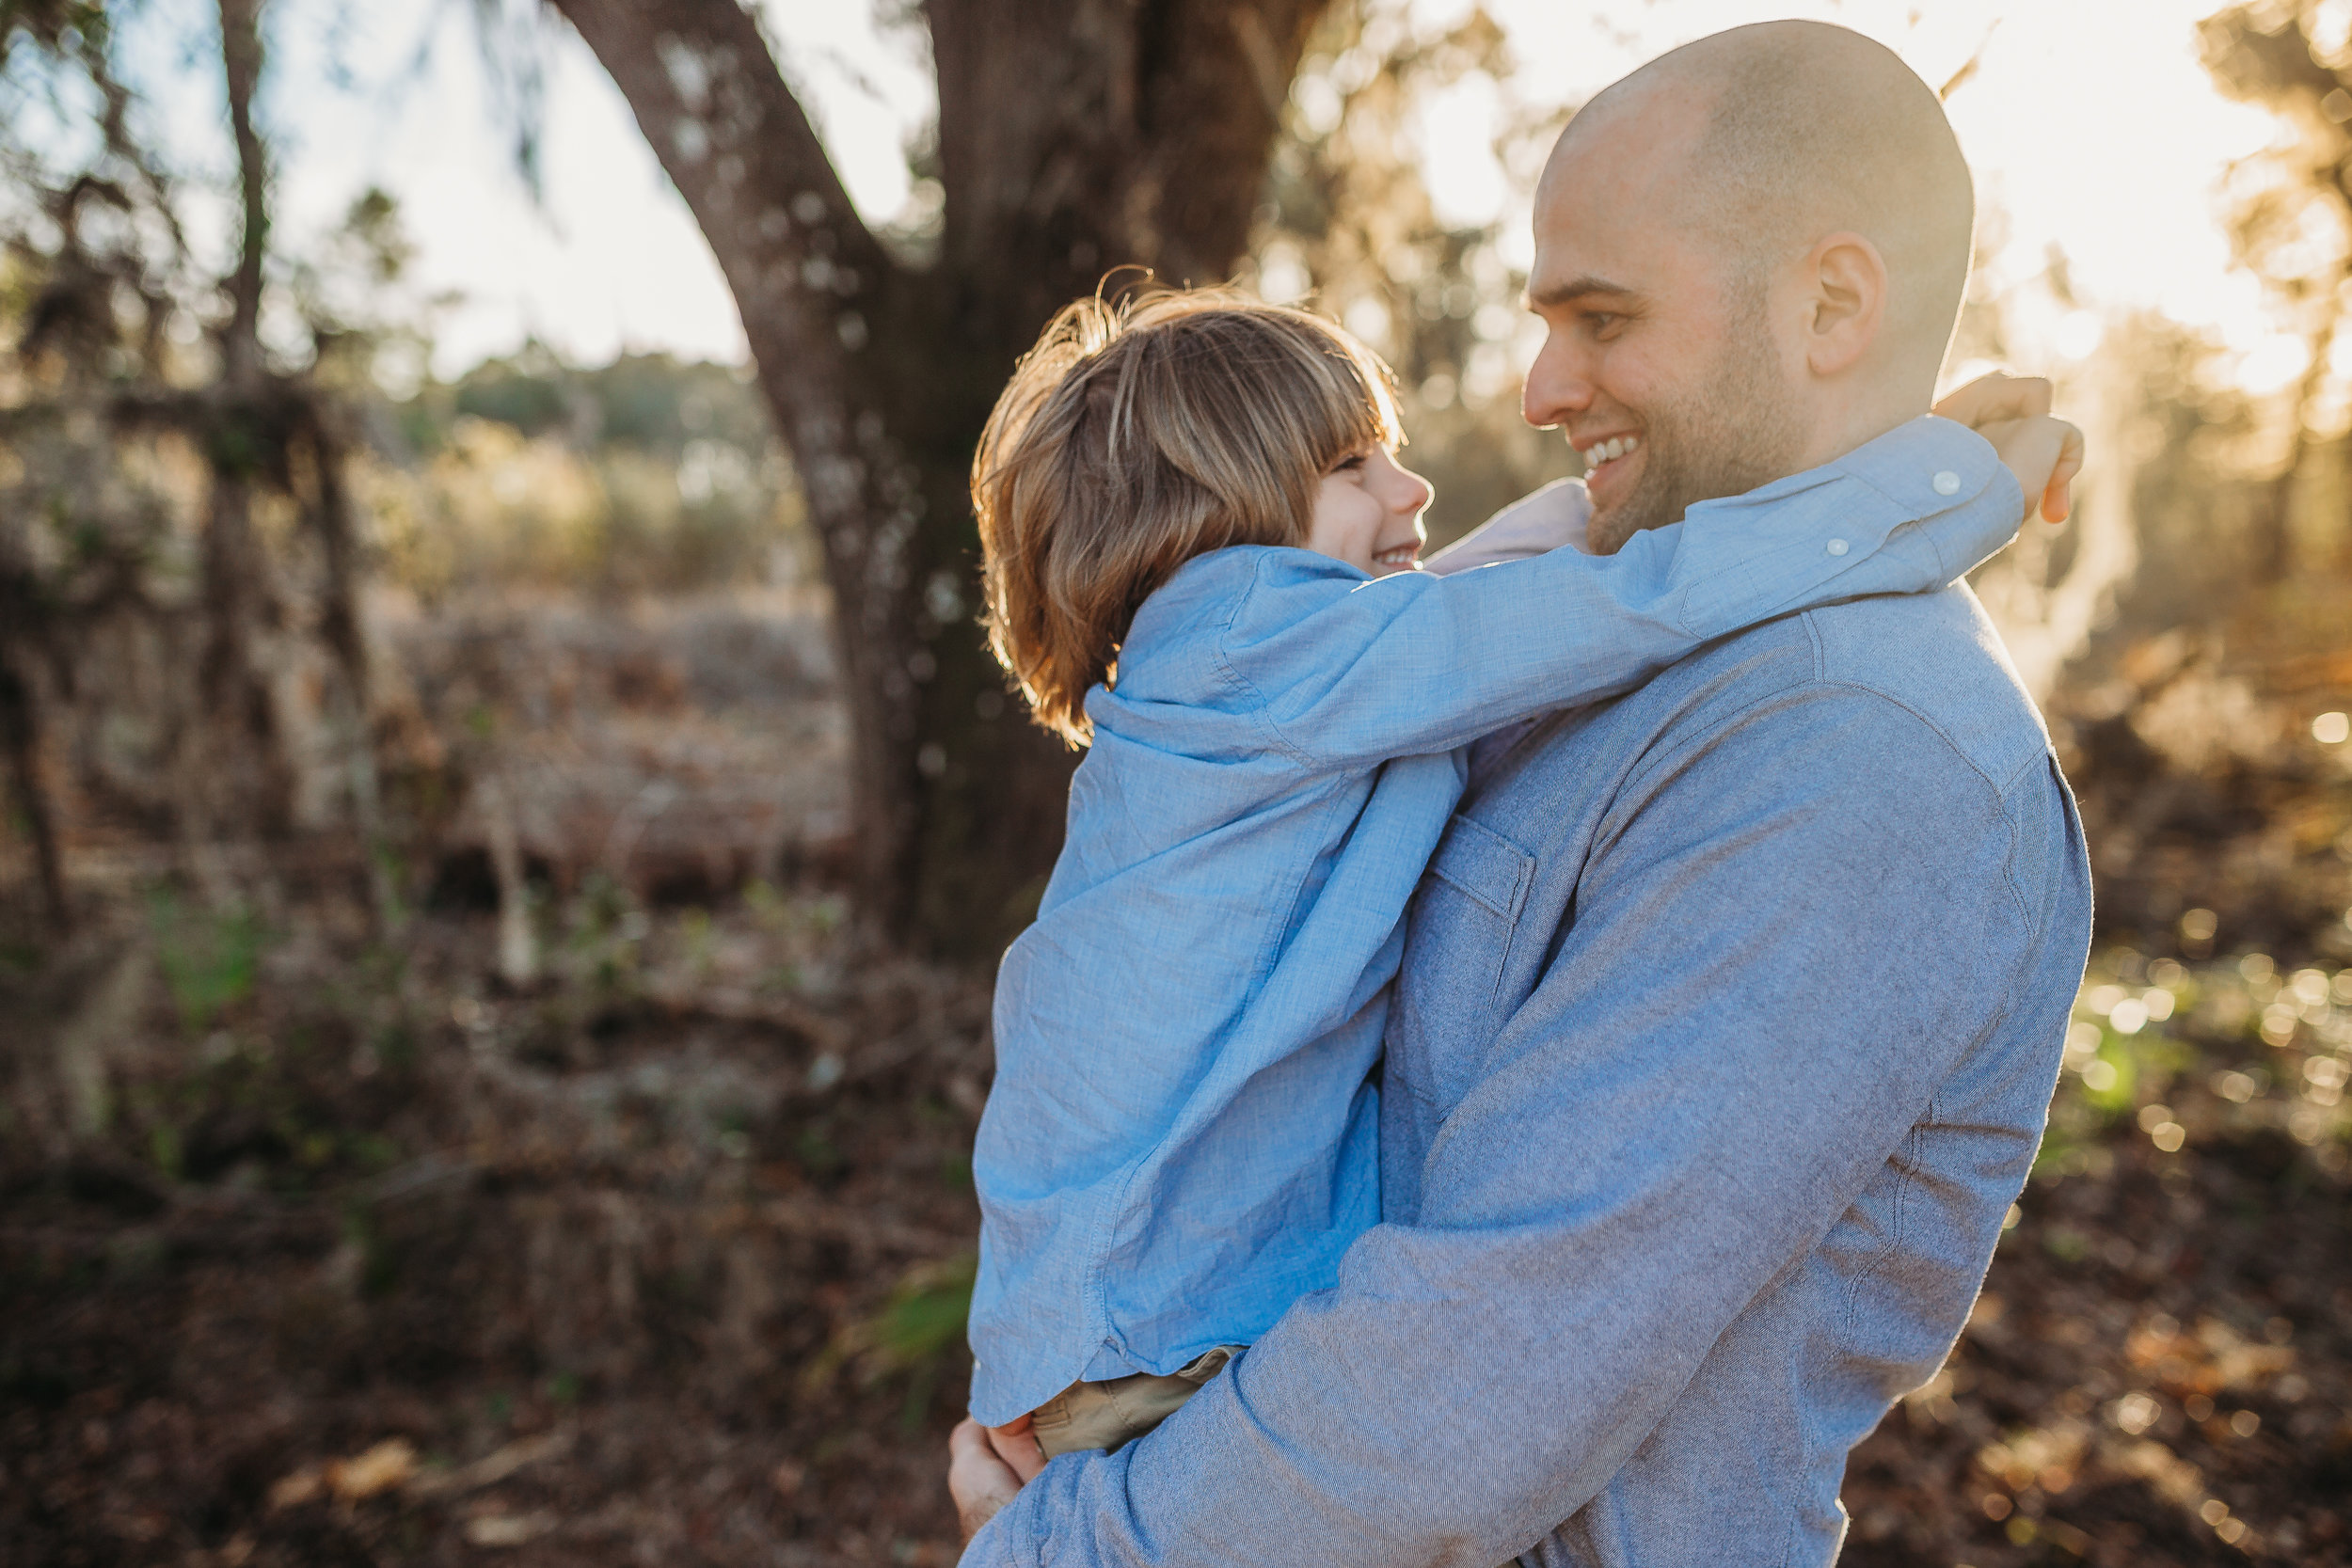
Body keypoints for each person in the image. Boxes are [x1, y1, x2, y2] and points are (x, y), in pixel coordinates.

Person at [949, 20, 2096, 1566]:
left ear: (1833, 302)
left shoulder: (1857, 751)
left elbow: (1465, 1374)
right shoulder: (1590, 662)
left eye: (1600, 318)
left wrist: (1057, 1551)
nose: (1541, 383)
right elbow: (1542, 582)